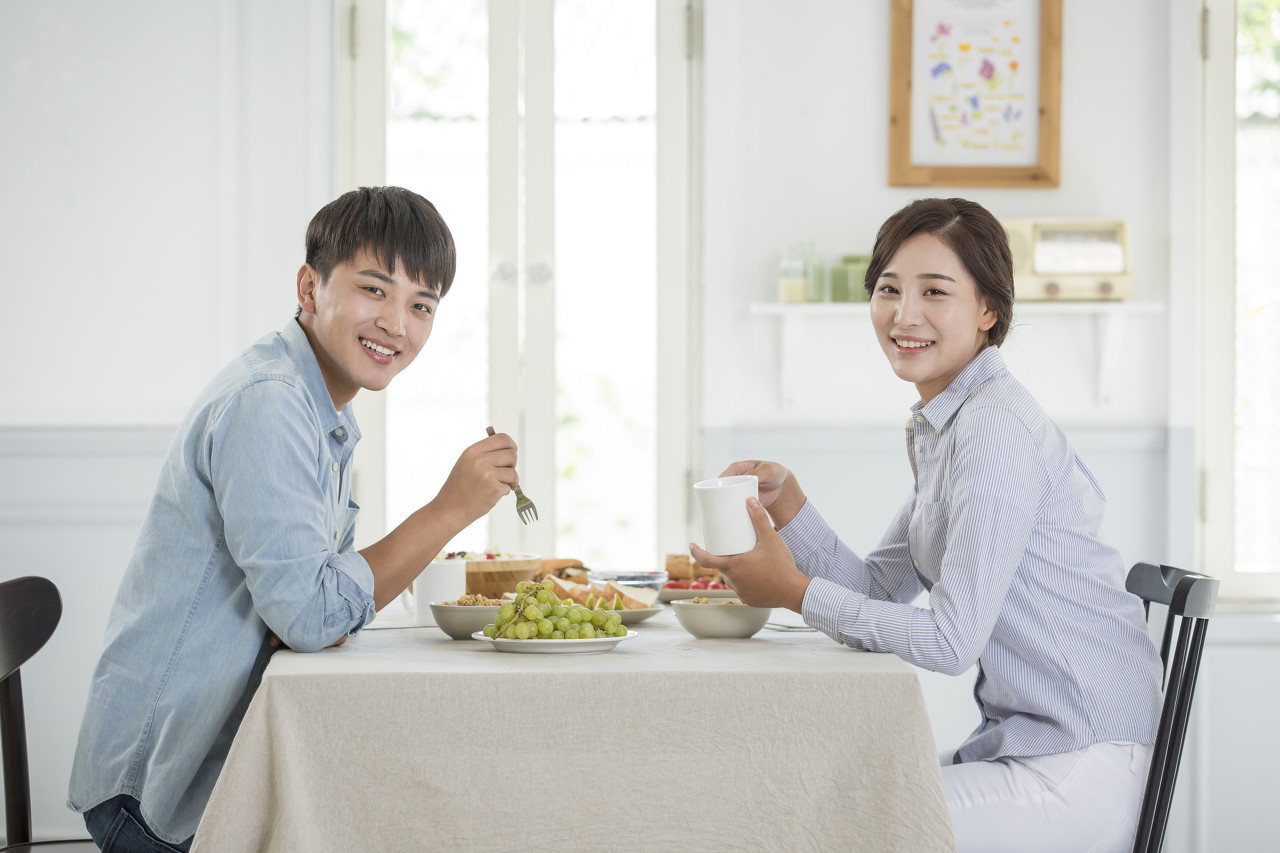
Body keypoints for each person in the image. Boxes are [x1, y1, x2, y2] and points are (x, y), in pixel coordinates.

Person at [690, 198, 1164, 853]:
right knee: (819, 804)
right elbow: (879, 590)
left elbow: (950, 640)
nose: (903, 315)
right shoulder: (948, 424)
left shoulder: (992, 426)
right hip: (1039, 750)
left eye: (934, 292)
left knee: (827, 827)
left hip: (1080, 766)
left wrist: (795, 593)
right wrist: (789, 506)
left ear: (988, 309)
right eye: (888, 289)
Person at [67, 187, 519, 852]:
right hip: (158, 796)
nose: (397, 323)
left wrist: (314, 610)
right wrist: (450, 508)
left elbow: (310, 607)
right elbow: (311, 615)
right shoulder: (271, 401)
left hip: (208, 767)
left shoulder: (321, 407)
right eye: (375, 289)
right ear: (310, 288)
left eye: (421, 305)